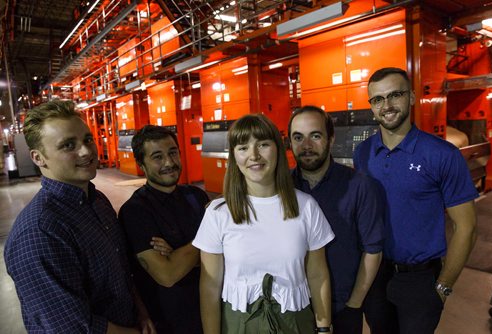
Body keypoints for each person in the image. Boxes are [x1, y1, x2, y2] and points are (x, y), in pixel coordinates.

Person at [4, 100, 155, 333]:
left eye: (87, 139)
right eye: (68, 145)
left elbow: (121, 271)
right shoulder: (39, 233)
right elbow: (70, 326)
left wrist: (141, 312)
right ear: (38, 158)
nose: (86, 151)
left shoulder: (97, 201)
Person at [354, 67, 478, 334]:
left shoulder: (441, 155)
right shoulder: (363, 153)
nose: (386, 106)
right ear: (372, 107)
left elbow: (466, 227)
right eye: (377, 99)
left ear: (411, 97)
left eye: (394, 95)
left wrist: (443, 287)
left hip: (420, 279)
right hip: (374, 274)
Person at [193, 114, 334, 334]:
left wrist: (324, 327)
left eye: (263, 144)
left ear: (278, 149)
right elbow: (210, 286)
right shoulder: (218, 213)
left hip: (295, 322)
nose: (254, 155)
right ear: (234, 156)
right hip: (239, 324)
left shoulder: (306, 206)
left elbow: (317, 274)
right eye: (243, 148)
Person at [288, 105, 385, 334]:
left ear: (331, 139)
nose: (307, 146)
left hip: (342, 309)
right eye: (298, 138)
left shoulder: (360, 186)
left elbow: (373, 250)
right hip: (292, 308)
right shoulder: (281, 188)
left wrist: (354, 305)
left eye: (316, 135)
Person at [119, 125, 209, 334]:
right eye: (157, 157)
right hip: (169, 322)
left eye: (173, 153)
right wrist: (207, 239)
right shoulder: (135, 211)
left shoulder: (197, 196)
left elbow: (224, 254)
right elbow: (167, 274)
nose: (169, 162)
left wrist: (179, 253)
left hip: (209, 310)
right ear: (141, 164)